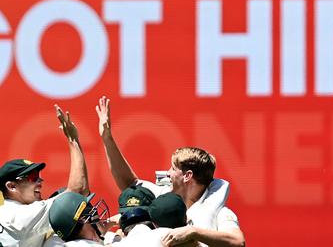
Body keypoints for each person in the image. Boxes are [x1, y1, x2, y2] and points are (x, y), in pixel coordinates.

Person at [96, 96, 245, 247]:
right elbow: (130, 183)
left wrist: (193, 232)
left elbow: (238, 242)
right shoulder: (164, 194)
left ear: (187, 176)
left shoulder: (219, 210)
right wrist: (107, 139)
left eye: (173, 169)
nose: (167, 173)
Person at [0, 105, 90, 247]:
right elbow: (77, 193)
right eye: (31, 176)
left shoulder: (9, 214)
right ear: (11, 186)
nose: (40, 180)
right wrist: (73, 140)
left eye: (38, 175)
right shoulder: (18, 216)